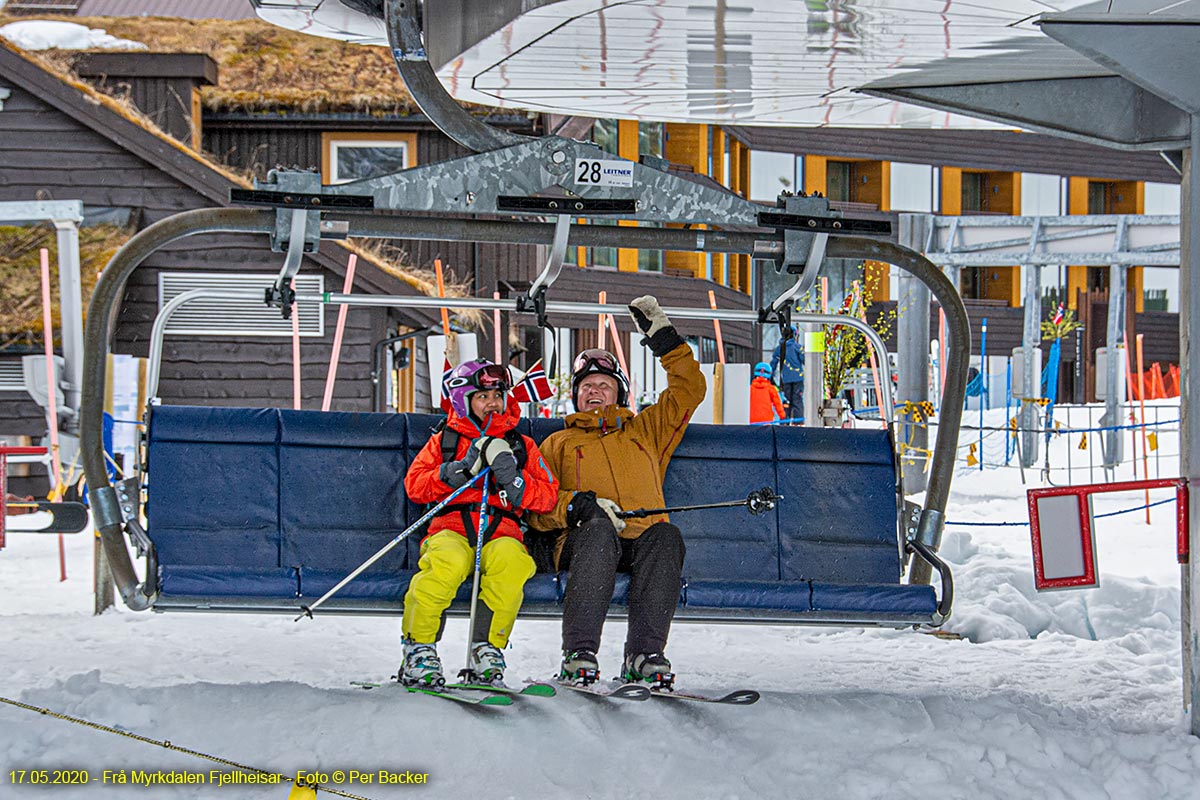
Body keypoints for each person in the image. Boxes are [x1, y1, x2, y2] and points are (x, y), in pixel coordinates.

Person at [529, 296, 706, 687]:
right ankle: (579, 653)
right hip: (584, 544)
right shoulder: (558, 443)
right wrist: (577, 508)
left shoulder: (646, 431)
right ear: (575, 396)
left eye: (604, 385)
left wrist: (663, 338)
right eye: (587, 386)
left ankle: (644, 655)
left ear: (619, 394)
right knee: (596, 532)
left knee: (666, 535)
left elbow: (690, 389)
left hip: (640, 544)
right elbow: (536, 506)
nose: (595, 392)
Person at [400, 359, 559, 688]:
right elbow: (415, 486)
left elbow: (548, 497)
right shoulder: (445, 440)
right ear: (464, 400)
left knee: (512, 564)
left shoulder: (521, 445)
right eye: (482, 396)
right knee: (445, 564)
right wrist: (454, 471)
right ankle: (419, 647)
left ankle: (486, 647)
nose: (492, 404)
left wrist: (515, 480)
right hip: (451, 529)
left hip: (501, 530)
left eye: (497, 396)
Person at [770, 325, 804, 419]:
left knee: (787, 400)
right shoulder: (797, 347)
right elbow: (804, 360)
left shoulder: (779, 348)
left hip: (785, 379)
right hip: (798, 378)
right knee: (797, 400)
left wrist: (770, 375)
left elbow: (773, 363)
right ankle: (798, 421)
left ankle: (786, 421)